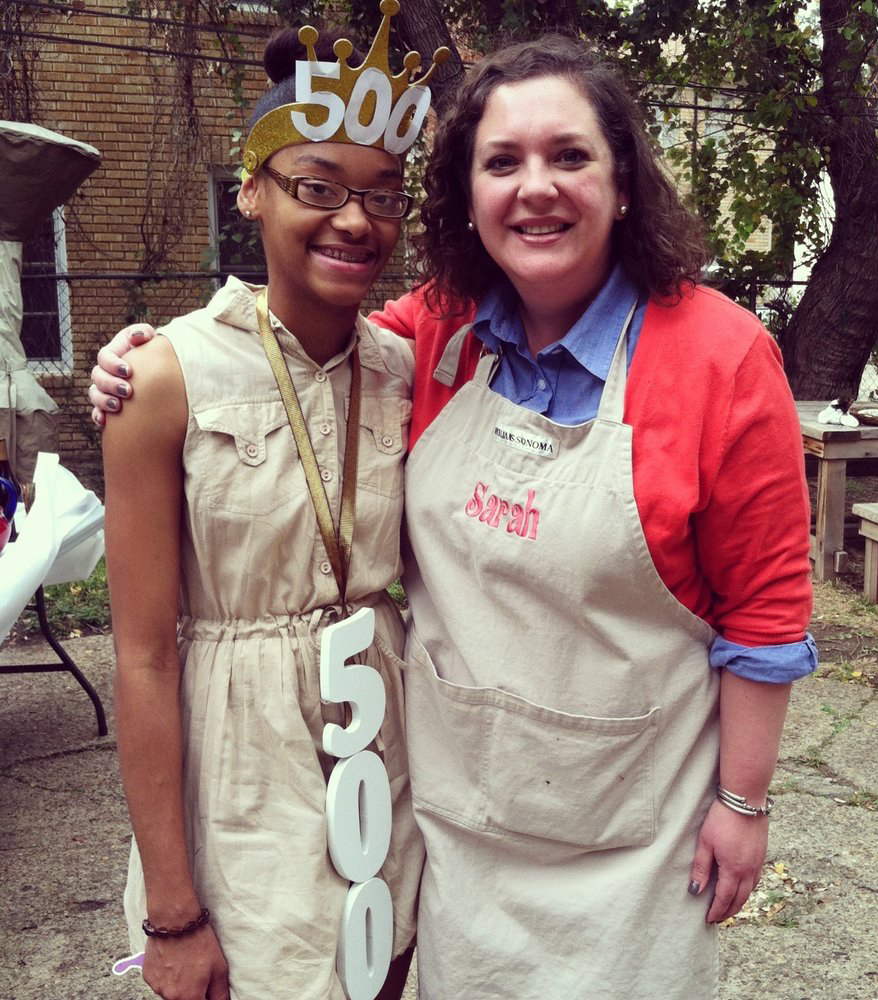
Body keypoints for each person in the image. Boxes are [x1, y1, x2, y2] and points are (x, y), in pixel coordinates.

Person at [93, 35, 816, 999]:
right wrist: (142, 363)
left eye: (570, 156)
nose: (536, 186)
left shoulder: (723, 358)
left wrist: (744, 799)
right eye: (502, 162)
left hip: (634, 830)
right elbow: (289, 351)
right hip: (447, 818)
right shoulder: (435, 333)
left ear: (626, 180)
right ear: (469, 200)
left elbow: (767, 613)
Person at [100, 10, 440, 999]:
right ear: (252, 192)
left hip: (381, 749)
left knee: (383, 966)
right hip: (238, 777)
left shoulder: (408, 372)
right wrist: (173, 910)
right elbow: (141, 654)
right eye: (318, 187)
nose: (355, 219)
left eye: (382, 196)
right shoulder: (163, 379)